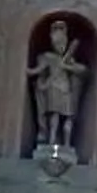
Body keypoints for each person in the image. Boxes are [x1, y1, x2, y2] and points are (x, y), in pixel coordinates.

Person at [29, 19, 87, 154]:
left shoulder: (68, 60)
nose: (60, 45)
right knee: (55, 117)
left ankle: (65, 145)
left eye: (63, 43)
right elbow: (37, 70)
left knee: (67, 118)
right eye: (58, 42)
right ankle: (52, 141)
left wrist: (67, 66)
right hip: (54, 88)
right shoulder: (48, 57)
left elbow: (83, 71)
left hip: (65, 89)